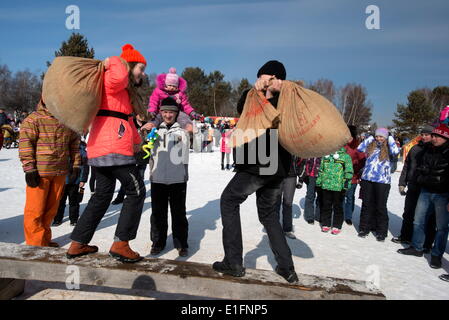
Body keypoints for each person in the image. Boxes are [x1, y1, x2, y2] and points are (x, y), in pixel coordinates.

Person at [212, 60, 298, 283]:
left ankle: (233, 262)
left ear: (279, 80)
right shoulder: (253, 96)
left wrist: (267, 94)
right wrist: (257, 91)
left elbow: (270, 120)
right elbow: (243, 109)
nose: (263, 80)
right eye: (261, 77)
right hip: (277, 168)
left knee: (229, 201)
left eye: (269, 77)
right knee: (269, 215)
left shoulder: (285, 100)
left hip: (261, 161)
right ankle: (286, 267)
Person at [67, 44, 148, 263]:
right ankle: (121, 244)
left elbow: (126, 120)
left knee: (102, 194)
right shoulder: (113, 80)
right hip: (114, 147)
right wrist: (117, 60)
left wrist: (138, 143)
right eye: (140, 67)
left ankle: (78, 242)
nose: (143, 72)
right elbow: (117, 77)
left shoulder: (122, 93)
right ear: (129, 66)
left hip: (103, 147)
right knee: (136, 190)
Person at [19, 99, 81, 246]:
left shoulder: (67, 120)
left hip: (60, 171)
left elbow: (74, 144)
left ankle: (44, 240)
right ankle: (35, 245)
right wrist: (29, 169)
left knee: (50, 210)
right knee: (35, 211)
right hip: (40, 173)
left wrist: (76, 165)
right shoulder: (34, 119)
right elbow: (25, 144)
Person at [397, 124, 449, 269]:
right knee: (418, 221)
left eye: (437, 136)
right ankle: (417, 247)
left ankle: (436, 255)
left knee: (442, 227)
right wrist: (421, 176)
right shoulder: (427, 149)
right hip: (425, 191)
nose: (434, 138)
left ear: (445, 137)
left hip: (443, 194)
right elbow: (417, 166)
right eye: (434, 135)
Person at [149, 97, 190, 257]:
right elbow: (142, 150)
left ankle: (181, 243)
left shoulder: (183, 131)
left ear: (176, 113)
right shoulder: (154, 131)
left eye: (171, 112)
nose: (168, 115)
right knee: (158, 213)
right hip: (157, 178)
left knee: (179, 213)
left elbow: (194, 146)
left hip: (178, 179)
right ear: (160, 112)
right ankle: (157, 242)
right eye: (165, 111)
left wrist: (191, 131)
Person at [392, 125, 436, 249]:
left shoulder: (434, 150)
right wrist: (402, 183)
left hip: (426, 188)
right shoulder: (415, 149)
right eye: (422, 134)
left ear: (432, 136)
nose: (424, 136)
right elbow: (406, 166)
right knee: (408, 213)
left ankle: (427, 243)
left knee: (427, 217)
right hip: (413, 185)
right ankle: (405, 236)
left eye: (427, 134)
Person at [357, 128, 400, 241]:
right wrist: (370, 137)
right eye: (377, 136)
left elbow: (396, 152)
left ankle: (381, 231)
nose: (378, 138)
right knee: (367, 205)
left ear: (385, 137)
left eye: (381, 136)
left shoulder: (389, 148)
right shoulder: (371, 146)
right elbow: (359, 148)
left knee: (380, 206)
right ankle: (364, 228)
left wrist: (390, 138)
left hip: (382, 181)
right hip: (367, 179)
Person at [111, 114, 150, 205]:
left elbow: (151, 139)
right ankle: (120, 197)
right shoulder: (131, 124)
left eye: (143, 114)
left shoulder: (147, 126)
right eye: (139, 114)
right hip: (131, 155)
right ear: (136, 115)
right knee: (128, 178)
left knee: (140, 177)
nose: (141, 116)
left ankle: (138, 196)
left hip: (143, 155)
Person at [53, 136, 90, 226]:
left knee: (74, 201)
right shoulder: (60, 147)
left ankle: (73, 219)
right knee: (60, 201)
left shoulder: (81, 149)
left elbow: (85, 166)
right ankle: (57, 219)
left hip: (75, 180)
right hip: (62, 180)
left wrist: (83, 179)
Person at [317, 148, 353, 235]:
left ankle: (337, 225)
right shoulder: (326, 155)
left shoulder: (345, 157)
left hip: (338, 187)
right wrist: (319, 181)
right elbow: (321, 170)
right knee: (326, 205)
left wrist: (346, 183)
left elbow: (349, 171)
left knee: (338, 206)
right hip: (326, 185)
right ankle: (326, 223)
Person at [275, 156, 305, 239]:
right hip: (277, 175)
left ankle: (287, 229)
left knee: (288, 203)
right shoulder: (277, 144)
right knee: (275, 202)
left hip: (291, 176)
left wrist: (301, 179)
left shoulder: (295, 146)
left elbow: (302, 161)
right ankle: (274, 228)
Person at [343, 125, 366, 225]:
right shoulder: (341, 145)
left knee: (350, 196)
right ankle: (340, 213)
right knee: (341, 196)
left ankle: (348, 216)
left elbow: (362, 161)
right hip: (340, 175)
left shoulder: (357, 146)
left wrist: (356, 169)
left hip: (353, 176)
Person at [301, 157, 321, 224]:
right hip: (311, 176)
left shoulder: (325, 151)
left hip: (322, 177)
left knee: (321, 196)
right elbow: (304, 162)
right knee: (310, 196)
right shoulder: (310, 151)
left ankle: (319, 216)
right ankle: (309, 217)